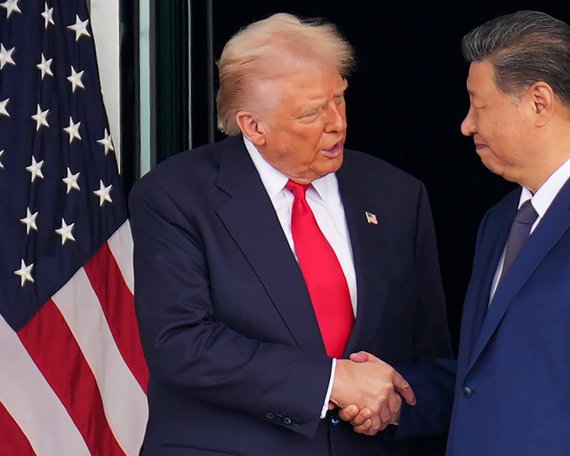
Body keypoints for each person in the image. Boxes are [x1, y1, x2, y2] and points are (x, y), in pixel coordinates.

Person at [344, 9, 570, 455]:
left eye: (478, 104)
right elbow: (493, 378)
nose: (466, 124)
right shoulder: (500, 220)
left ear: (539, 101)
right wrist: (399, 396)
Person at [127, 12, 452, 455]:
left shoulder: (397, 195)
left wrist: (393, 405)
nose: (336, 122)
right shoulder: (175, 196)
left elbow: (428, 352)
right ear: (253, 126)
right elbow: (182, 343)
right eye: (312, 112)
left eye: (339, 98)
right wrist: (333, 382)